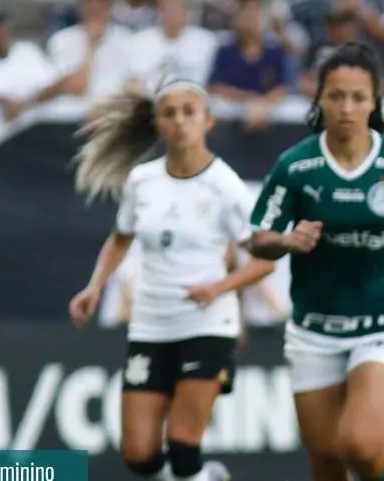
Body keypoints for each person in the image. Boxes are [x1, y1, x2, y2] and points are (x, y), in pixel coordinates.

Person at [246, 41, 384, 481]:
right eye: (336, 95)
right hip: (315, 328)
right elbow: (258, 239)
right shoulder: (295, 167)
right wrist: (288, 243)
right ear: (319, 99)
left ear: (373, 102)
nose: (346, 106)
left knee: (361, 447)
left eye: (358, 97)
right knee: (326, 460)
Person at [67, 80, 275, 481]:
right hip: (150, 324)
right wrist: (94, 286)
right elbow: (121, 238)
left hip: (207, 324)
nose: (180, 121)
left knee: (182, 446)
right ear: (158, 123)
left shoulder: (225, 187)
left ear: (208, 120)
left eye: (189, 112)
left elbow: (264, 262)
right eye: (170, 113)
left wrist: (217, 289)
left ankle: (196, 473)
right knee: (140, 455)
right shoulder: (142, 181)